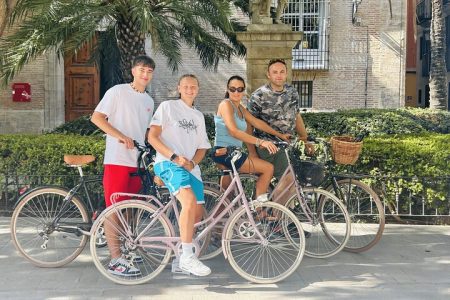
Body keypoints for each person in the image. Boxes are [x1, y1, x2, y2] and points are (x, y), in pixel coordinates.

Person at [91, 55, 155, 277]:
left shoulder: (149, 101)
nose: (145, 74)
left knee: (131, 209)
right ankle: (115, 259)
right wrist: (121, 136)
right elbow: (97, 118)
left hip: (137, 163)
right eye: (142, 70)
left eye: (149, 71)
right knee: (114, 210)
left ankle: (127, 247)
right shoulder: (117, 91)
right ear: (133, 70)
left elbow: (146, 132)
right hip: (117, 159)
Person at [148, 74, 212, 277]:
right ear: (179, 88)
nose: (190, 89)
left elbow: (203, 147)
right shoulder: (168, 107)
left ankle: (178, 260)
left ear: (198, 90)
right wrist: (174, 157)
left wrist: (193, 162)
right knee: (189, 201)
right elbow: (152, 136)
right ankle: (187, 256)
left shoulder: (198, 116)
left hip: (191, 168)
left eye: (193, 86)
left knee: (198, 212)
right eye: (186, 86)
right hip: (168, 163)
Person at [211, 75, 290, 202]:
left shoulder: (240, 108)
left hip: (233, 153)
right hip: (224, 152)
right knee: (268, 168)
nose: (236, 92)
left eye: (240, 89)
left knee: (226, 199)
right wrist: (261, 142)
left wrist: (280, 135)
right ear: (227, 89)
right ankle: (259, 211)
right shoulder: (225, 104)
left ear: (243, 90)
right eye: (232, 89)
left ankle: (225, 218)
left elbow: (256, 122)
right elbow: (234, 132)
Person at [247, 58, 312, 202]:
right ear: (268, 75)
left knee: (290, 182)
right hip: (268, 147)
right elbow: (249, 125)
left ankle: (281, 217)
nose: (279, 75)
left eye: (282, 71)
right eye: (275, 72)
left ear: (287, 73)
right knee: (288, 179)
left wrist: (306, 140)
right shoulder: (258, 96)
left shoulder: (292, 92)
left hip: (286, 145)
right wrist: (252, 152)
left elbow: (296, 116)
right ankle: (277, 220)